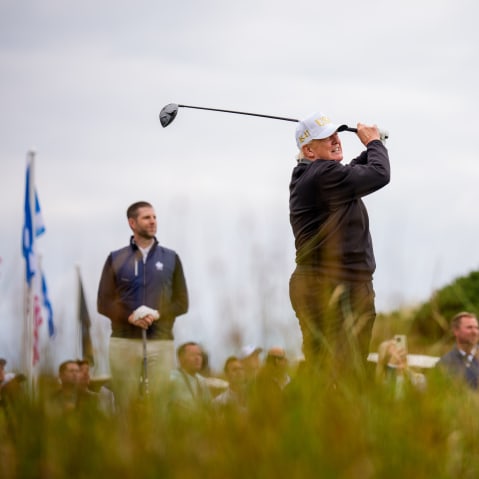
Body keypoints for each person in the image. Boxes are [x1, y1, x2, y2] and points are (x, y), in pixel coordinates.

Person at [288, 112, 390, 378]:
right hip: (332, 285)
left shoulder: (315, 174)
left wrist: (376, 145)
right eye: (326, 138)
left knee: (326, 370)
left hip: (330, 284)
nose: (335, 140)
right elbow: (379, 174)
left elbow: (356, 171)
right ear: (309, 150)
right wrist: (374, 144)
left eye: (335, 133)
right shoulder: (322, 174)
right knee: (343, 371)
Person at [97, 201, 189, 410]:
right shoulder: (116, 258)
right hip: (124, 340)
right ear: (132, 223)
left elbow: (182, 303)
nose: (153, 221)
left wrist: (156, 314)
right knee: (125, 403)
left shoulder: (171, 258)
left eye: (154, 217)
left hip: (161, 340)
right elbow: (104, 302)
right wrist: (129, 317)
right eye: (147, 217)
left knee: (160, 403)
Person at [167, 342, 212, 419]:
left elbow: (209, 407)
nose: (197, 358)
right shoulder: (171, 378)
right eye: (192, 355)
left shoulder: (202, 381)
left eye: (199, 355)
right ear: (180, 359)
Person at [436, 312, 479, 390]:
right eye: (469, 327)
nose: (475, 332)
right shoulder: (444, 364)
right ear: (456, 331)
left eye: (477, 328)